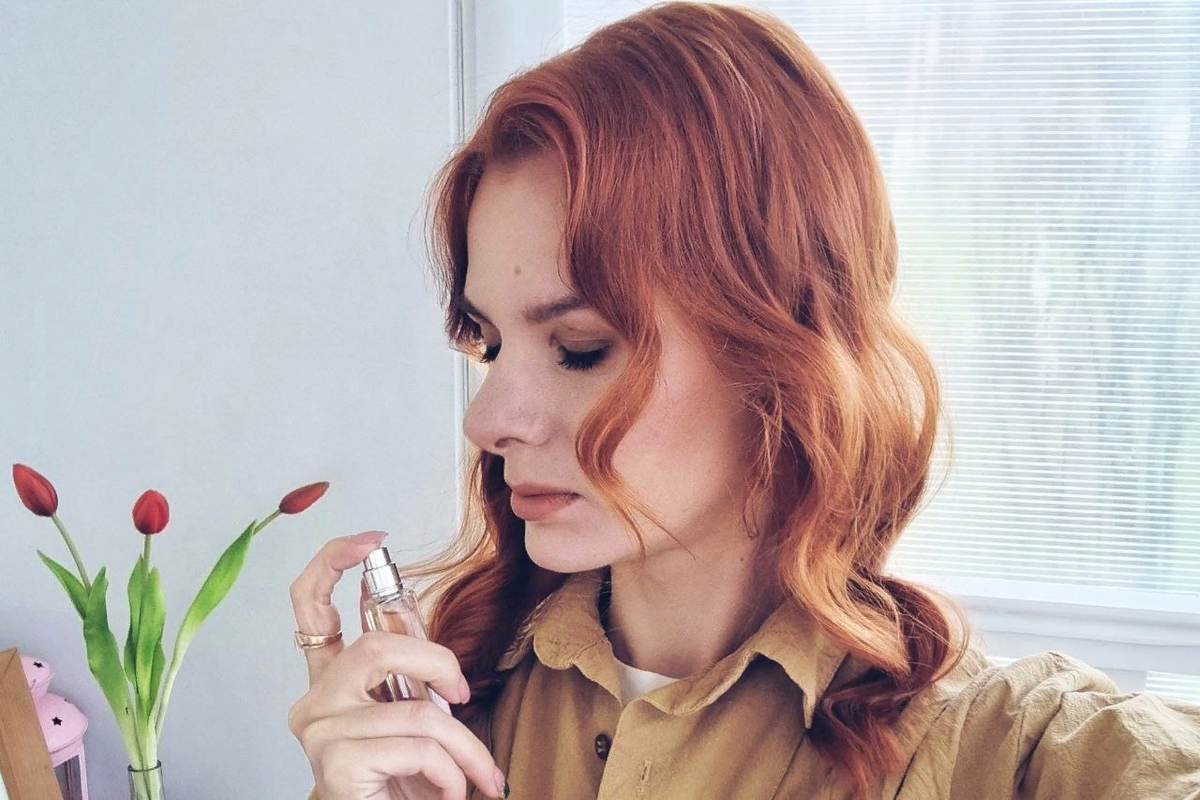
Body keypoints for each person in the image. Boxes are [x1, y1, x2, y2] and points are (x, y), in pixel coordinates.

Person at [286, 3, 1200, 798]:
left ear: (777, 352)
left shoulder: (1003, 744)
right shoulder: (451, 704)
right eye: (489, 345)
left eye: (580, 348)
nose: (487, 422)